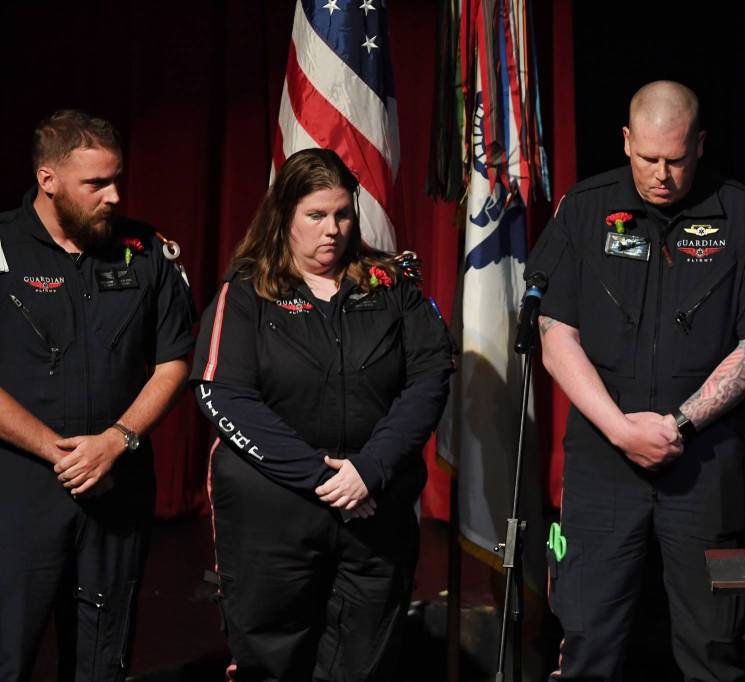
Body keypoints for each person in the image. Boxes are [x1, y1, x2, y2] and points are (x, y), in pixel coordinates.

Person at [526, 81, 745, 681]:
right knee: (587, 643)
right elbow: (554, 334)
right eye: (647, 158)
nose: (661, 175)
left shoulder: (743, 214)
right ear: (625, 140)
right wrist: (621, 430)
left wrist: (679, 424)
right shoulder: (585, 208)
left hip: (705, 462)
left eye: (675, 159)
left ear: (700, 144)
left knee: (715, 650)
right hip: (602, 460)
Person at [190, 148, 454, 681]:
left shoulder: (391, 284)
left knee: (364, 665)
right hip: (274, 517)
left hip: (375, 508)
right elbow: (223, 395)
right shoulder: (246, 292)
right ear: (284, 215)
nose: (332, 230)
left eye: (342, 214)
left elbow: (430, 378)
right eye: (316, 215)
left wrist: (369, 469)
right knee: (271, 666)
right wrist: (321, 478)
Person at [0, 110, 194, 680]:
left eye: (116, 180)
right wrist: (58, 451)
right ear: (48, 179)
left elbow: (174, 361)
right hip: (20, 492)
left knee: (102, 663)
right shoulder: (3, 248)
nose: (114, 196)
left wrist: (115, 441)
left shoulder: (147, 251)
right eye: (96, 184)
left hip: (117, 486)